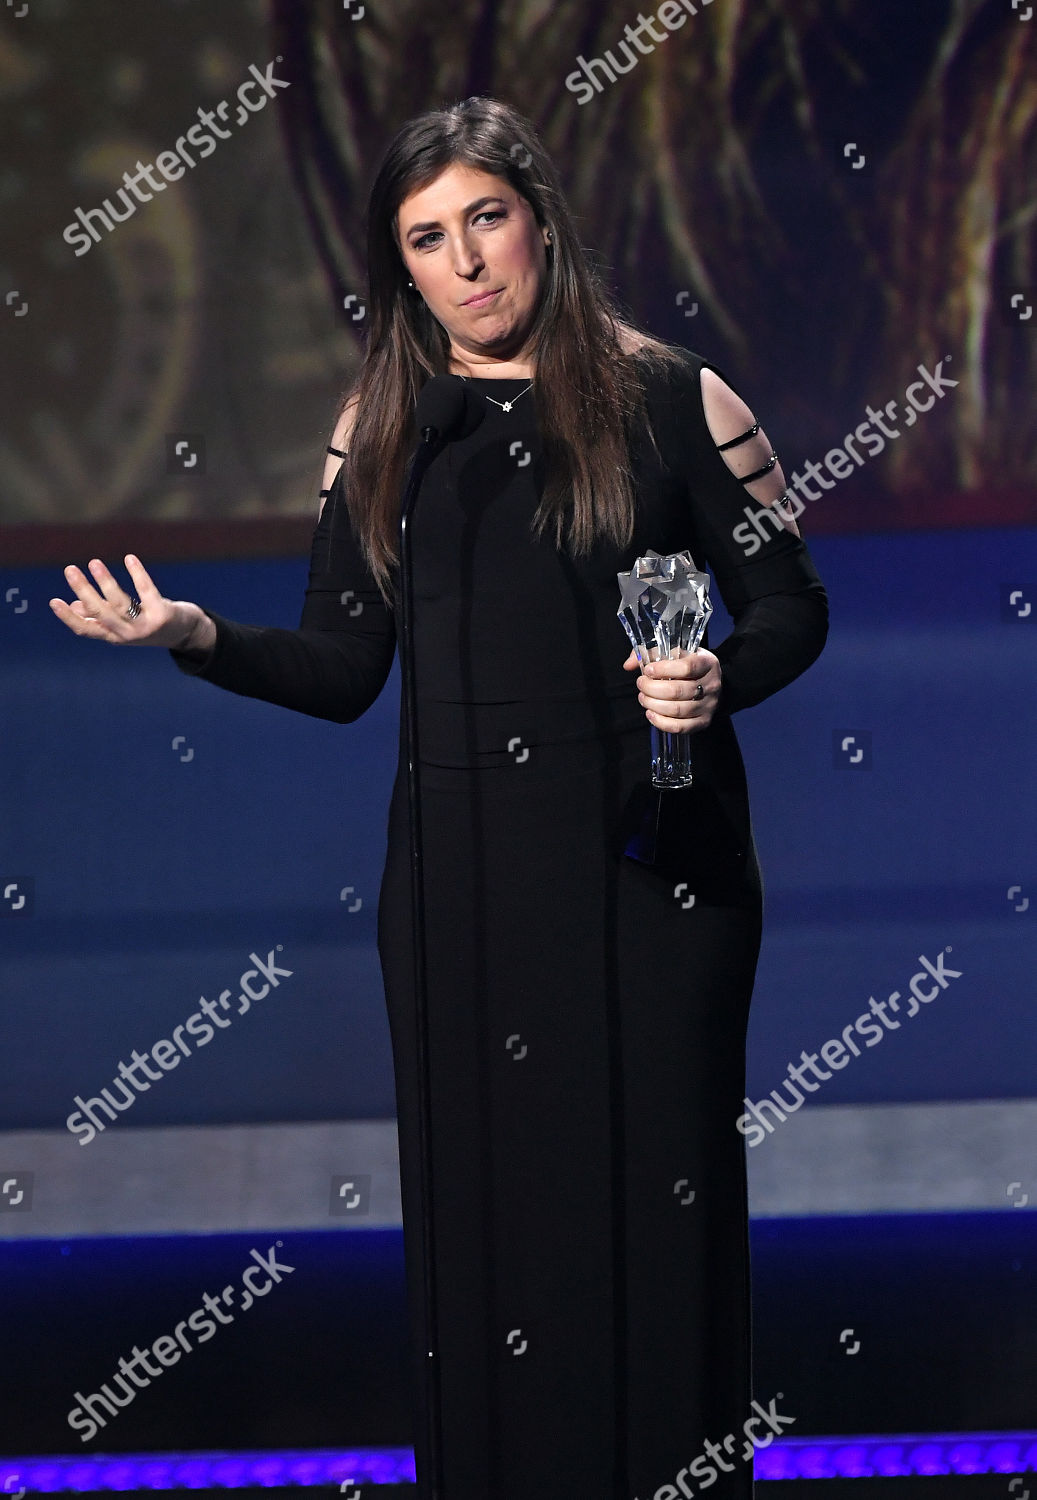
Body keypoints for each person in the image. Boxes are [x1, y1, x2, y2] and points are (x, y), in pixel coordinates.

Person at [51, 96, 827, 1500]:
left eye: (486, 219)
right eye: (428, 237)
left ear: (539, 222)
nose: (466, 261)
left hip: (659, 866)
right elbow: (346, 667)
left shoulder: (673, 398)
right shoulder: (386, 429)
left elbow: (790, 602)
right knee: (491, 1226)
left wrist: (714, 673)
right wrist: (192, 637)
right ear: (399, 265)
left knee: (661, 1218)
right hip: (469, 884)